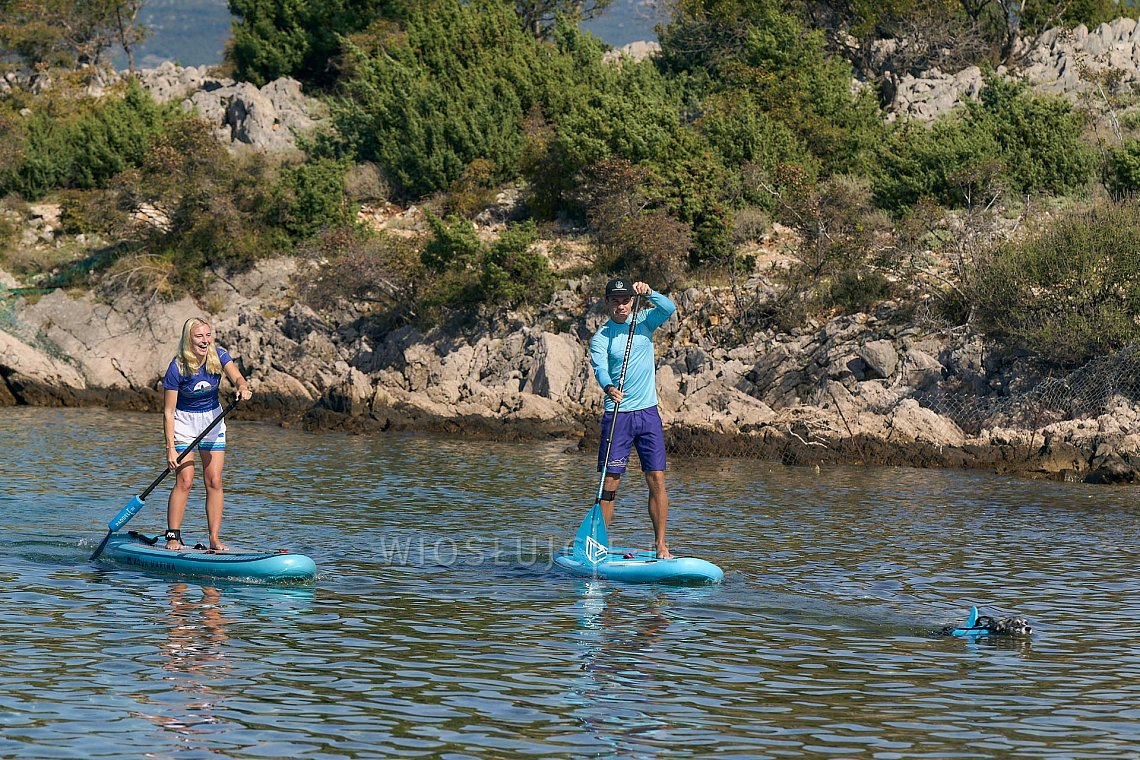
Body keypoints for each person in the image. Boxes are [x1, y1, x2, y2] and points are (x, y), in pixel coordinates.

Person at [589, 278, 677, 559]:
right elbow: (600, 368)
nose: (621, 306)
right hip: (618, 415)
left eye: (625, 300)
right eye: (615, 301)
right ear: (607, 304)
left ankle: (661, 545)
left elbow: (669, 308)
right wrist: (608, 387)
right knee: (610, 482)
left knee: (657, 479)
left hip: (648, 414)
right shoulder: (601, 337)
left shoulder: (644, 321)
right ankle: (598, 545)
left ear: (631, 301)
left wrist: (650, 292)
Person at [161, 317, 252, 551]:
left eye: (208, 335)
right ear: (188, 339)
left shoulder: (219, 355)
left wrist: (242, 387)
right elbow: (168, 412)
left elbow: (237, 377)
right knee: (185, 480)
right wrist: (170, 447)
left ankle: (214, 538)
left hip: (212, 419)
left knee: (214, 480)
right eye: (199, 336)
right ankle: (173, 536)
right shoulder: (177, 367)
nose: (205, 340)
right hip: (183, 422)